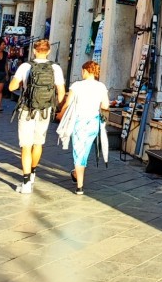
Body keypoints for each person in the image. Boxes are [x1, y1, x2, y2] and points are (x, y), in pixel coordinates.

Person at [8, 38, 66, 194]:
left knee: (26, 145)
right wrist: (55, 107)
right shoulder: (55, 68)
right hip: (45, 109)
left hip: (27, 108)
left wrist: (21, 85)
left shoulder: (25, 66)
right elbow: (61, 92)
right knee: (38, 143)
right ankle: (33, 172)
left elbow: (11, 87)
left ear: (34, 50)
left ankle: (26, 182)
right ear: (48, 51)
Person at [56, 60, 110, 196]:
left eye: (82, 71)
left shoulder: (77, 86)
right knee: (85, 151)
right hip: (94, 122)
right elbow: (105, 106)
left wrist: (61, 113)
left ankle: (79, 186)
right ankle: (76, 173)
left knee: (78, 152)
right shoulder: (101, 86)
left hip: (79, 121)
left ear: (85, 71)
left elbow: (68, 103)